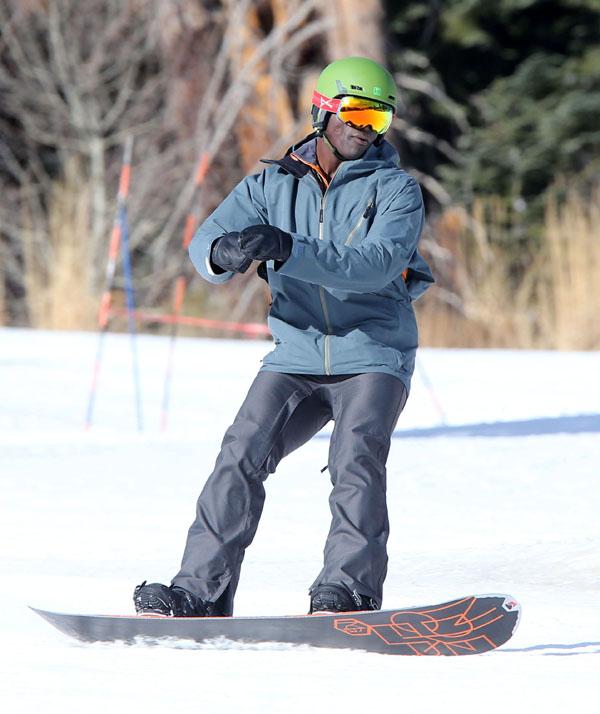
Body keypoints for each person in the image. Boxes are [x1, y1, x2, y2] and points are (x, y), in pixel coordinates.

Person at [134, 56, 434, 618]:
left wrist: (290, 249)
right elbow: (206, 241)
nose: (366, 128)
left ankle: (348, 591)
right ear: (323, 110)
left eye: (380, 119)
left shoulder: (398, 191)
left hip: (372, 352)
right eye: (357, 112)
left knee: (355, 457)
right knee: (240, 452)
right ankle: (200, 591)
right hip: (295, 351)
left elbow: (373, 265)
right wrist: (220, 254)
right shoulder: (270, 184)